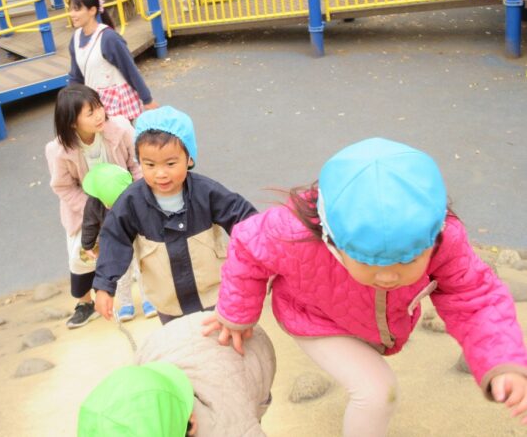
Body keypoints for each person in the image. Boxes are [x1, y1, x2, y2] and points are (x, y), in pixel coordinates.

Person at [205, 137, 527, 436]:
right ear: (333, 239)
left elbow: (474, 297)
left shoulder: (443, 238)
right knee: (377, 392)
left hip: (372, 320)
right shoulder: (293, 231)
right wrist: (237, 313)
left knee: (374, 385)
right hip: (314, 318)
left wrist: (502, 361)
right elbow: (247, 243)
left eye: (406, 261)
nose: (388, 277)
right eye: (369, 262)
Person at [93, 106, 257, 324]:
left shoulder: (206, 192)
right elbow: (114, 239)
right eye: (150, 164)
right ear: (139, 161)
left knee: (219, 342)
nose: (161, 173)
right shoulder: (131, 202)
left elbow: (245, 221)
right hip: (168, 304)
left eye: (170, 163)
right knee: (179, 344)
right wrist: (104, 286)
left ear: (189, 159)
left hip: (214, 296)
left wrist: (266, 252)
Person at [77, 311, 276, 436]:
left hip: (246, 349)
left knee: (246, 411)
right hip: (173, 342)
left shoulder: (229, 425)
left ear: (192, 422)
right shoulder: (137, 385)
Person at [45, 84, 142, 329]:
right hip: (86, 209)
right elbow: (63, 187)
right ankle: (85, 302)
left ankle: (148, 292)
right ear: (72, 122)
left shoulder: (120, 128)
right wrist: (94, 210)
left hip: (127, 200)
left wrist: (135, 199)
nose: (99, 115)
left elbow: (136, 165)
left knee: (142, 245)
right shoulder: (58, 150)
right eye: (90, 113)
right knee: (81, 254)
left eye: (99, 107)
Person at [67, 0, 158, 121]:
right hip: (93, 102)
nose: (72, 14)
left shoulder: (109, 38)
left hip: (116, 102)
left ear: (92, 10)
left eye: (77, 9)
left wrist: (147, 99)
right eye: (70, 9)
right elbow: (76, 76)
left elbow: (129, 69)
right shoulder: (75, 38)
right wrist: (69, 102)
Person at [81, 163, 157, 321]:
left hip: (137, 239)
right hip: (114, 243)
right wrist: (87, 244)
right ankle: (126, 304)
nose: (110, 207)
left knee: (143, 268)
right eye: (108, 204)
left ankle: (149, 300)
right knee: (121, 275)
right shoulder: (93, 203)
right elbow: (89, 224)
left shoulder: (133, 196)